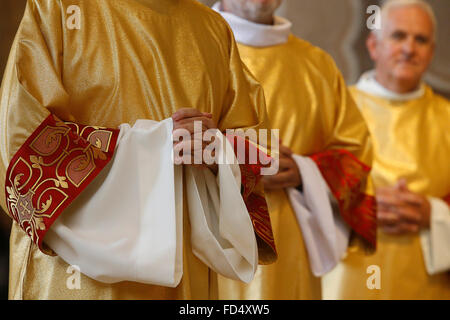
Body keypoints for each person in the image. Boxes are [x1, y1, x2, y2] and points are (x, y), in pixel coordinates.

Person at [0, 0, 278, 300]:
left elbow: (251, 152)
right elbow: (21, 143)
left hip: (183, 271)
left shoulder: (213, 28)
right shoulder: (57, 8)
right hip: (77, 276)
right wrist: (155, 147)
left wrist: (217, 154)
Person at [214, 0, 376, 299]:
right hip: (214, 245)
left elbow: (356, 156)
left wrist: (304, 171)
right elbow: (159, 142)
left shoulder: (318, 65)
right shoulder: (189, 48)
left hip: (292, 251)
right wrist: (232, 167)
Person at [323, 0, 450, 300]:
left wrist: (434, 212)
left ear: (432, 51)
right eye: (398, 36)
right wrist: (354, 203)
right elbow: (297, 195)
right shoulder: (333, 110)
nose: (409, 48)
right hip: (345, 280)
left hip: (426, 283)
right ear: (373, 45)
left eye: (420, 40)